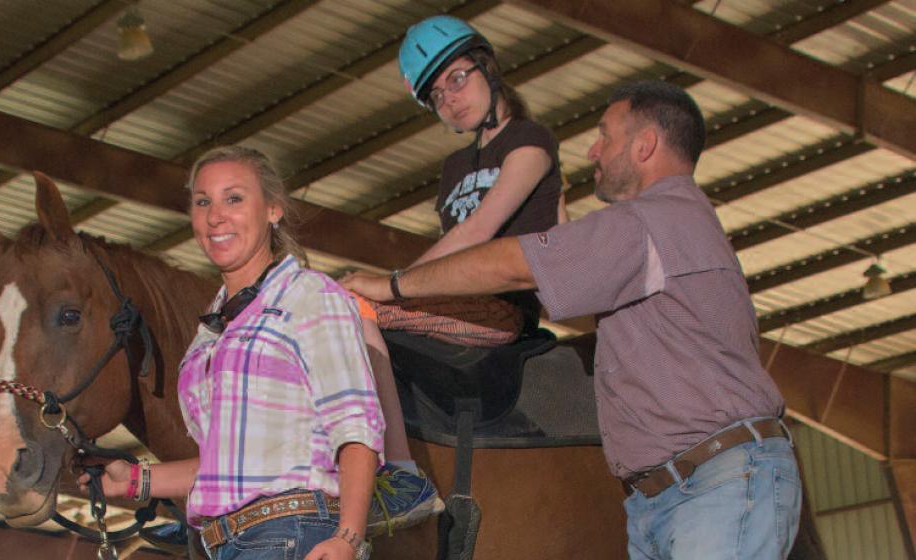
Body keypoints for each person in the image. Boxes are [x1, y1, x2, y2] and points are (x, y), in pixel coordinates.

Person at [343, 81, 803, 559]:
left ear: (645, 146)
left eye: (605, 135)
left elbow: (514, 263)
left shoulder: (650, 221)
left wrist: (392, 286)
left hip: (716, 484)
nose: (593, 150)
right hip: (669, 494)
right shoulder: (677, 224)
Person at [81, 146, 382, 560]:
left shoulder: (309, 296)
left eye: (234, 198)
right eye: (203, 202)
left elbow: (355, 424)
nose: (215, 215)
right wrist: (134, 480)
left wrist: (348, 537)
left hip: (292, 532)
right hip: (229, 542)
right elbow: (227, 468)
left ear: (273, 210)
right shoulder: (211, 333)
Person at [353, 16, 564, 533]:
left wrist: (390, 287)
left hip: (499, 308)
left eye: (457, 78)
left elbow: (479, 231)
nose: (450, 99)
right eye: (436, 96)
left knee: (358, 312)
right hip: (452, 300)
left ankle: (402, 475)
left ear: (488, 68)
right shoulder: (452, 167)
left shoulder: (530, 142)